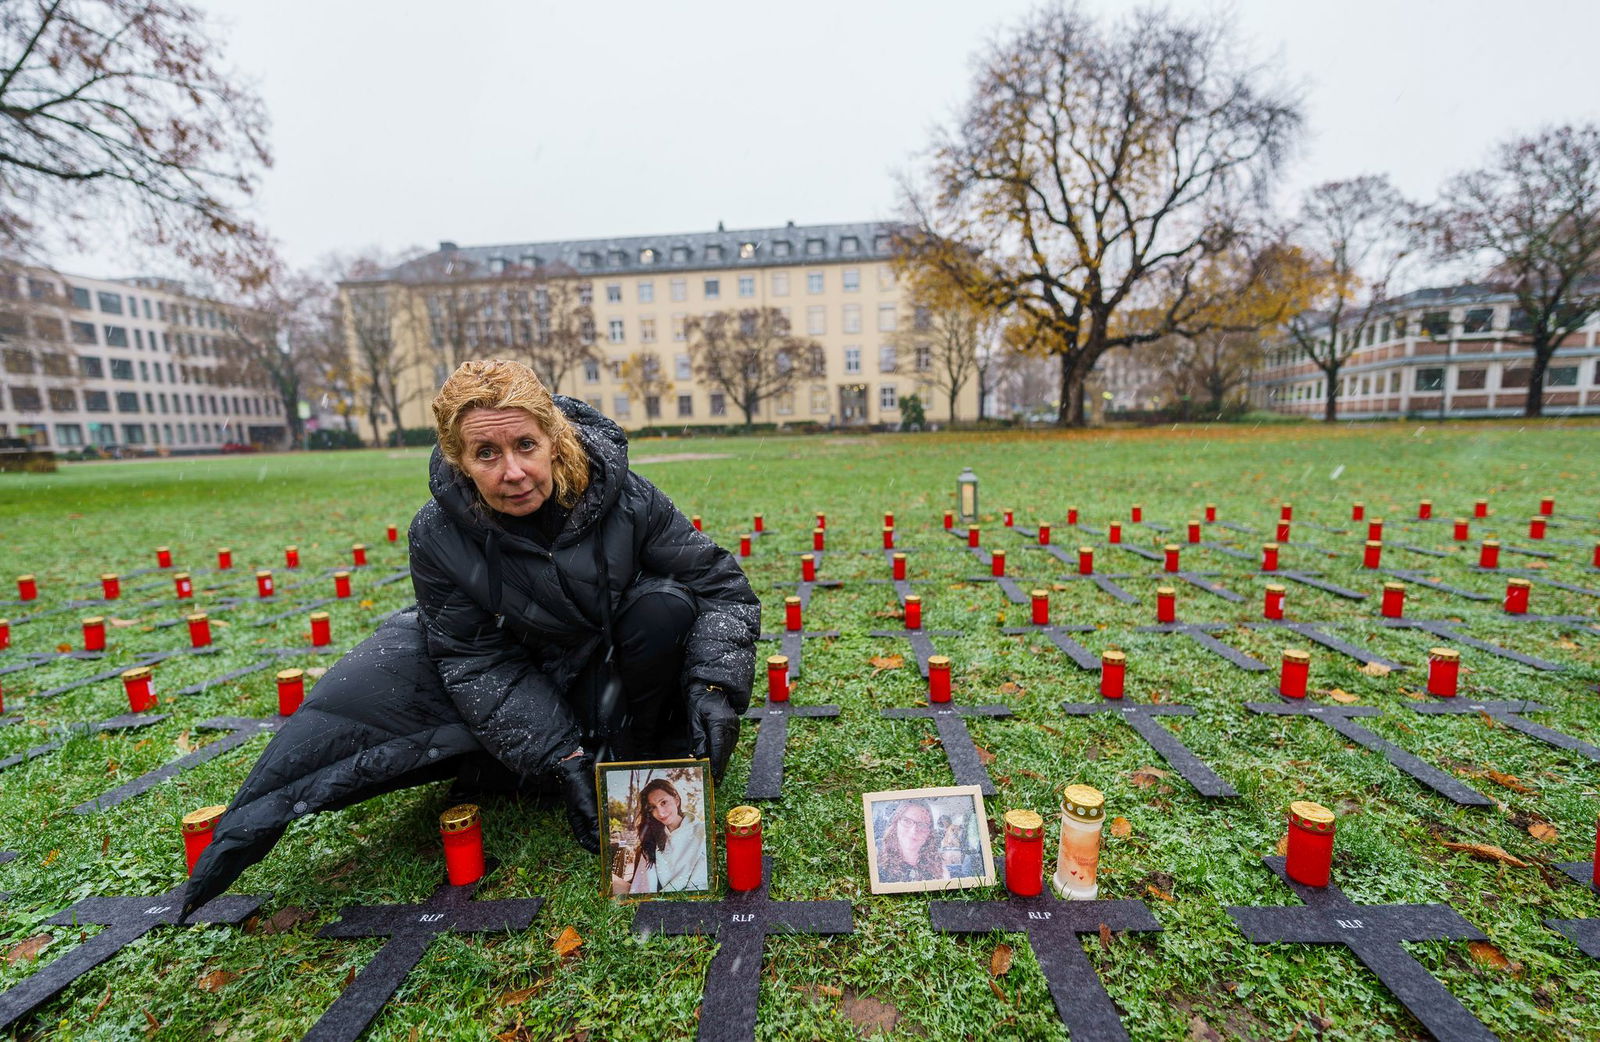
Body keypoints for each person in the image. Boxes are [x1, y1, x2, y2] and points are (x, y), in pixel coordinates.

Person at [182, 359, 759, 915]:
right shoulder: (436, 536)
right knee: (385, 692)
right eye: (487, 453)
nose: (513, 473)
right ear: (459, 459)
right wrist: (561, 755)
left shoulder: (627, 495)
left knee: (665, 608)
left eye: (526, 446)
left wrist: (713, 688)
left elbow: (720, 588)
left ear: (553, 438)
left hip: (625, 671)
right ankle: (562, 758)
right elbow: (473, 656)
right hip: (531, 676)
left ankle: (636, 749)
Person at [628, 778, 707, 893]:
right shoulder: (652, 838)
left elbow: (701, 885)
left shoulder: (702, 831)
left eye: (663, 802)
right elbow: (643, 886)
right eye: (653, 807)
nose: (660, 813)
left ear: (676, 800)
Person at [875, 800, 949, 884]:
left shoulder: (939, 868)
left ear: (929, 832)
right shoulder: (877, 863)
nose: (913, 831)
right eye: (907, 821)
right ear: (896, 824)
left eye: (922, 825)